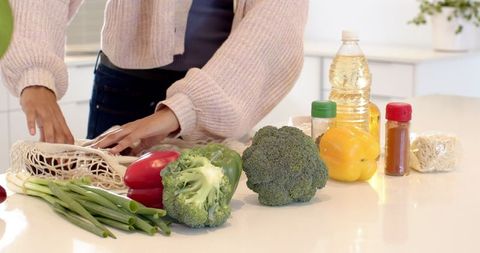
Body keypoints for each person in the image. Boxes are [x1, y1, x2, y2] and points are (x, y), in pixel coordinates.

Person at [0, 0, 308, 155]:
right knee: (111, 227)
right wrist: (34, 72)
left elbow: (275, 21)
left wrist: (184, 110)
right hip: (123, 86)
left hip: (223, 96)